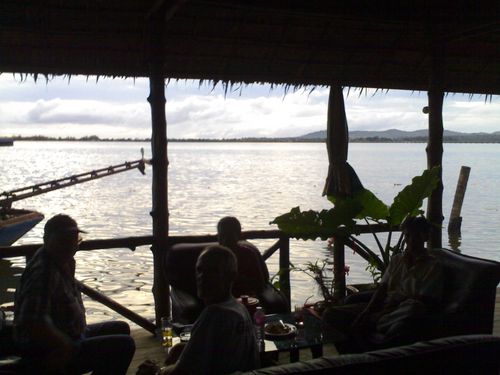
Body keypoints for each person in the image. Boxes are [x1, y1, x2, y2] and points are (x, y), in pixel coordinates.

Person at [14, 214, 135, 374]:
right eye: (63, 240)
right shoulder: (44, 271)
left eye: (73, 240)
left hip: (73, 333)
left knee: (121, 328)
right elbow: (33, 321)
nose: (70, 246)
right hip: (48, 350)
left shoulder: (61, 262)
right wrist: (65, 344)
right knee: (123, 345)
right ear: (46, 239)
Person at [323, 216, 445, 351]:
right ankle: (352, 354)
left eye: (415, 236)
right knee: (330, 314)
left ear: (425, 237)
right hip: (385, 305)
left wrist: (391, 307)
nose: (410, 241)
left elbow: (426, 299)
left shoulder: (433, 266)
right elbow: (382, 288)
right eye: (407, 236)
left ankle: (377, 323)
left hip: (404, 308)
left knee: (414, 307)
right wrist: (367, 311)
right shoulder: (397, 260)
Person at [157, 245, 259, 375]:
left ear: (231, 276)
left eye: (213, 271)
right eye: (199, 270)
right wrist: (186, 347)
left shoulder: (215, 315)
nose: (203, 277)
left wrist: (157, 371)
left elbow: (182, 372)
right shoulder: (239, 309)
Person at [217, 217, 267, 298]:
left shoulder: (248, 254)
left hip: (246, 300)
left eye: (229, 236)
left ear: (238, 235)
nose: (225, 240)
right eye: (222, 235)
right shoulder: (213, 256)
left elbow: (259, 284)